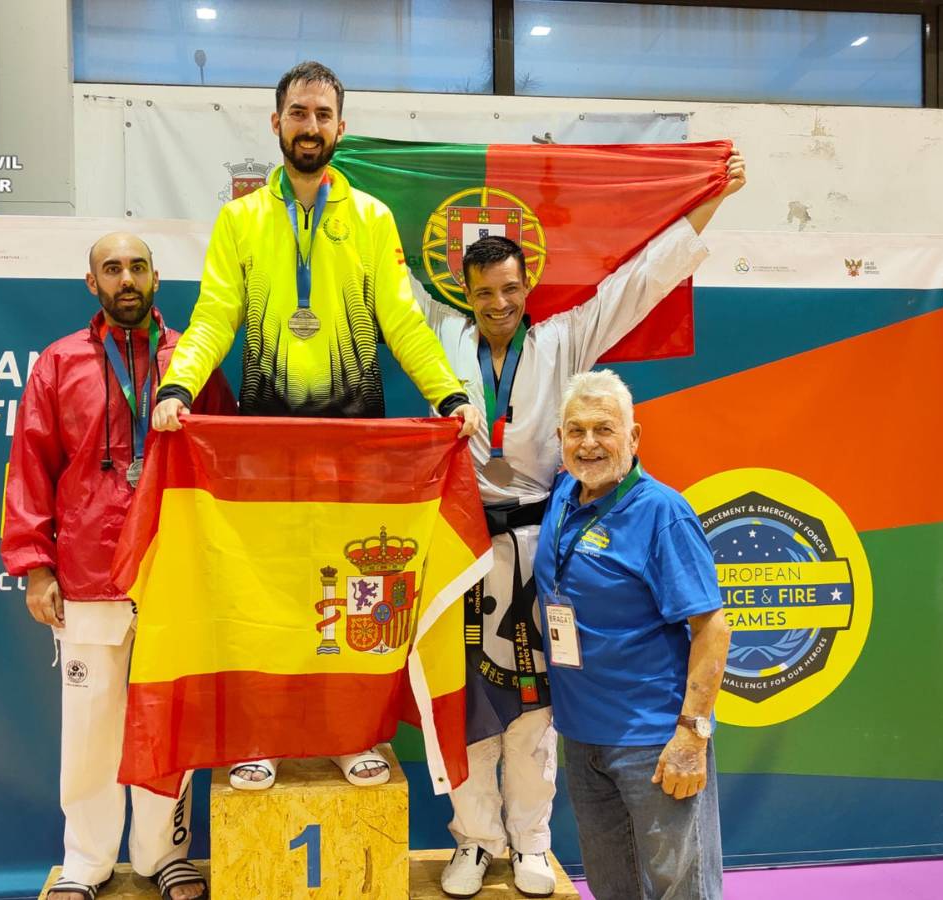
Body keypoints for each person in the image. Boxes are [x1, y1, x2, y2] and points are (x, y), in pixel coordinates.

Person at [419, 153, 744, 897]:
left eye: (509, 289)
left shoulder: (564, 338)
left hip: (543, 538)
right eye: (483, 293)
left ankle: (531, 839)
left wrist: (710, 200)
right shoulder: (438, 331)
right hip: (464, 543)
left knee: (538, 700)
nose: (498, 303)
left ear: (525, 287)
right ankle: (474, 838)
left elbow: (641, 283)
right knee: (463, 696)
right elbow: (375, 277)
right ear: (463, 294)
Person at [151, 61, 480, 791]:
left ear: (341, 126)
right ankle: (259, 737)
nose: (310, 126)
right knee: (264, 593)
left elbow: (401, 319)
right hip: (264, 446)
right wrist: (178, 382)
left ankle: (350, 733)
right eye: (297, 113)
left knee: (348, 593)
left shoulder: (370, 219)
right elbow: (213, 316)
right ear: (276, 123)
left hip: (350, 443)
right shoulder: (240, 220)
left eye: (323, 114)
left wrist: (450, 394)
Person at [2, 232, 237, 900]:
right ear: (92, 284)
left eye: (137, 267)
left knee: (167, 721)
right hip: (88, 572)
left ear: (157, 278)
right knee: (91, 725)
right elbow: (31, 468)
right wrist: (35, 566)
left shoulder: (192, 359)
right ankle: (87, 860)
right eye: (112, 269)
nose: (126, 279)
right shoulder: (59, 364)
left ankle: (164, 853)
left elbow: (225, 459)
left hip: (173, 574)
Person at [534, 369, 731, 900]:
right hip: (582, 738)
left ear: (634, 437)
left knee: (680, 889)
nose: (589, 443)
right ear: (560, 441)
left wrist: (693, 733)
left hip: (654, 742)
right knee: (614, 885)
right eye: (576, 431)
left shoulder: (662, 513)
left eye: (605, 429)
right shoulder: (563, 497)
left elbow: (712, 627)